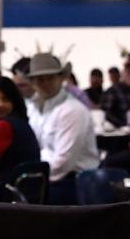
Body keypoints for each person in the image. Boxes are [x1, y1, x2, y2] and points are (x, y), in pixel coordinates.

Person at [25, 53, 98, 204]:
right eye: (40, 79)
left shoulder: (72, 110)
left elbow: (64, 162)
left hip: (71, 184)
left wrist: (31, 176)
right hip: (48, 178)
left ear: (61, 78)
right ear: (33, 82)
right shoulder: (34, 108)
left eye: (50, 77)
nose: (45, 83)